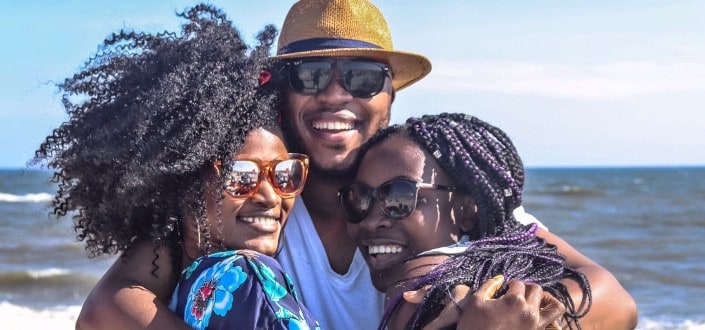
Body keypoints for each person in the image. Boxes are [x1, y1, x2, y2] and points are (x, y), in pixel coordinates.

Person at [75, 1, 638, 329]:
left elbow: (612, 300)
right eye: (313, 76)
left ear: (390, 97)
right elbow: (108, 307)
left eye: (363, 78)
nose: (336, 95)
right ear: (279, 90)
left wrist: (529, 320)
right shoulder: (252, 199)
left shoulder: (434, 188)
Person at [32, 5, 318, 329]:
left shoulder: (172, 260)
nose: (271, 196)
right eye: (241, 176)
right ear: (185, 180)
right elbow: (101, 308)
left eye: (285, 175)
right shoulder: (242, 276)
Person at [342, 113, 596, 329]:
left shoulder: (418, 295)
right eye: (358, 199)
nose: (372, 221)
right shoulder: (512, 261)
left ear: (467, 210)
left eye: (399, 197)